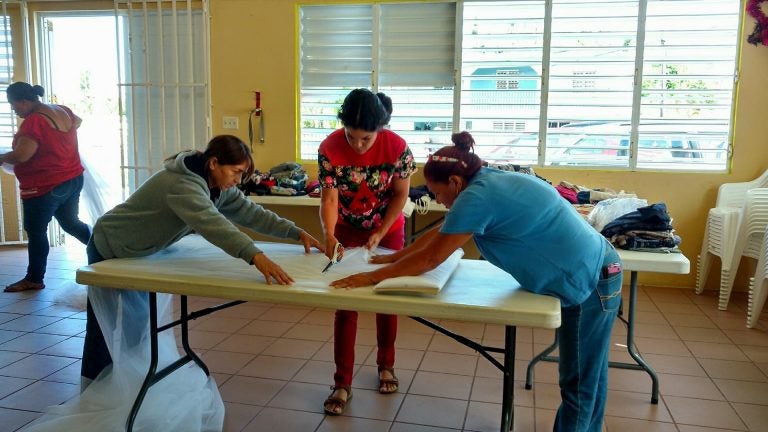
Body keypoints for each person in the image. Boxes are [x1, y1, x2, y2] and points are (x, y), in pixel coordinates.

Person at [331, 131, 623, 432]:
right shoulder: (484, 178)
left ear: (455, 183)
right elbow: (444, 230)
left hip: (591, 280)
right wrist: (396, 257)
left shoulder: (477, 197)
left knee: (579, 383)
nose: (437, 201)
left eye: (437, 193)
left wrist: (370, 277)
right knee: (590, 376)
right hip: (598, 269)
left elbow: (432, 259)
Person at [81, 134, 324, 384]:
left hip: (136, 253)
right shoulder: (182, 184)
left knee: (138, 324)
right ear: (214, 163)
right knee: (101, 329)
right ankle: (92, 393)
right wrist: (255, 256)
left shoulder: (217, 186)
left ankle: (124, 384)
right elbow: (214, 225)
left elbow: (250, 213)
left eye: (242, 174)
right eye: (235, 172)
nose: (238, 180)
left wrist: (295, 232)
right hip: (110, 244)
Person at [318, 88, 417, 415]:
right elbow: (329, 200)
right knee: (346, 301)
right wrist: (329, 235)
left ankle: (386, 365)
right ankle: (341, 382)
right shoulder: (330, 148)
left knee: (386, 296)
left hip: (387, 229)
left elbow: (401, 195)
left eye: (366, 138)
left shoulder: (398, 147)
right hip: (346, 229)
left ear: (380, 127)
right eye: (352, 136)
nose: (357, 144)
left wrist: (381, 231)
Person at [0, 82, 91, 292]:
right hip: (72, 178)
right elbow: (77, 121)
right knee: (70, 222)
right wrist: (58, 147)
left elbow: (22, 155)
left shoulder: (34, 123)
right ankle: (105, 251)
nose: (14, 110)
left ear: (24, 101)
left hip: (45, 186)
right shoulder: (60, 110)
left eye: (14, 106)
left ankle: (34, 278)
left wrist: (2, 157)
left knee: (36, 231)